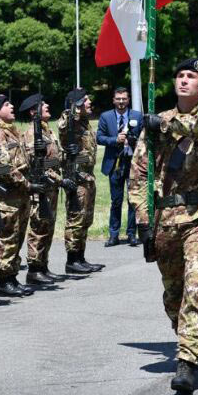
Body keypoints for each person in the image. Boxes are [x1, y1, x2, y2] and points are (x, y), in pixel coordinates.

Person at [129, 58, 198, 395]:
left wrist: (165, 126)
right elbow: (139, 175)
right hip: (166, 221)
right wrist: (144, 223)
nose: (184, 80)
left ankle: (187, 359)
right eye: (180, 75)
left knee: (197, 283)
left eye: (192, 76)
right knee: (174, 294)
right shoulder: (155, 125)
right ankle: (187, 334)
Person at [0, 94, 34, 297]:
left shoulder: (12, 132)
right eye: (7, 105)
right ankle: (4, 281)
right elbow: (3, 167)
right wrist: (26, 183)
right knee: (7, 239)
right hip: (8, 197)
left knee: (17, 238)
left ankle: (12, 277)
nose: (12, 106)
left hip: (20, 196)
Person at [58, 89, 104, 274]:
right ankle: (72, 260)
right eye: (85, 100)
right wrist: (74, 107)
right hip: (76, 177)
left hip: (87, 176)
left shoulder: (84, 123)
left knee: (86, 219)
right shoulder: (70, 121)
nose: (89, 102)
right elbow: (63, 124)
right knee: (76, 219)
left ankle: (81, 257)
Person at [22, 94, 63, 285]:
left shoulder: (48, 131)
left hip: (51, 187)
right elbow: (34, 163)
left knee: (48, 227)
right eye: (42, 104)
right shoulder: (32, 133)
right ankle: (34, 269)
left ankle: (43, 265)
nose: (47, 105)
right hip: (41, 187)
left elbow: (53, 159)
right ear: (33, 112)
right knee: (38, 228)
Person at [97, 87, 143, 247]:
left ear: (128, 100)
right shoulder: (106, 117)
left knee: (133, 200)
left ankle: (132, 234)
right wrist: (114, 140)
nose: (121, 102)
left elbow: (144, 137)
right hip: (114, 164)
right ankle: (113, 235)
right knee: (116, 201)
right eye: (118, 99)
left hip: (132, 163)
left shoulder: (137, 116)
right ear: (113, 100)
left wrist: (133, 139)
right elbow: (99, 138)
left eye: (124, 98)